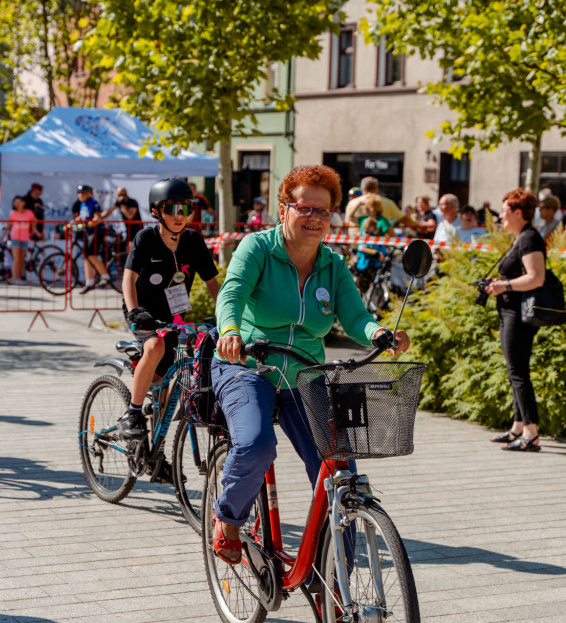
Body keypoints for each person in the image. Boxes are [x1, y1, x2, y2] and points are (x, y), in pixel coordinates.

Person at [210, 164, 409, 565]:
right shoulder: (258, 249)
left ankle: (338, 584)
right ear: (284, 209)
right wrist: (230, 329)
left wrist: (378, 334)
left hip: (306, 373)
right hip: (248, 364)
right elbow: (230, 295)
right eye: (305, 209)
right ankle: (228, 518)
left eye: (323, 211)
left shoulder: (333, 265)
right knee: (256, 445)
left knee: (341, 473)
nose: (315, 218)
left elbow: (355, 317)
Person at [119, 178, 221, 441]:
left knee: (164, 378)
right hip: (142, 311)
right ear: (156, 211)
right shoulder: (145, 239)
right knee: (155, 347)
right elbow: (128, 279)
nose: (179, 216)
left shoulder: (194, 242)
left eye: (185, 209)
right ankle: (133, 411)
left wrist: (228, 317)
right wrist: (133, 311)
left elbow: (213, 285)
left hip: (174, 316)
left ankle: (156, 452)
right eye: (171, 209)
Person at [483, 188, 545, 453]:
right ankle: (518, 426)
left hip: (519, 315)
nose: (501, 216)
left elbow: (536, 277)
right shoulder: (522, 237)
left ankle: (531, 433)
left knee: (518, 373)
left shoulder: (530, 238)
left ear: (518, 212)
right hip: (511, 312)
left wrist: (504, 286)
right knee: (514, 371)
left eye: (505, 211)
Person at [70, 185, 109, 293]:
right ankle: (89, 282)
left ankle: (105, 277)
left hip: (96, 232)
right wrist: (73, 222)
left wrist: (85, 225)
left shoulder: (94, 203)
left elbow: (97, 218)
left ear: (88, 194)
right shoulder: (83, 204)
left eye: (82, 193)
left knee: (91, 255)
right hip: (89, 233)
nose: (80, 195)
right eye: (78, 193)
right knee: (86, 257)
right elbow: (82, 217)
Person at [345, 176, 415, 230]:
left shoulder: (352, 203)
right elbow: (403, 219)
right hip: (382, 245)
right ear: (376, 188)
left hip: (357, 244)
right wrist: (417, 226)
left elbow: (347, 222)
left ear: (362, 189)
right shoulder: (387, 203)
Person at [7, 195, 36, 283]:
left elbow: (34, 221)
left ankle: (20, 277)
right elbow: (9, 226)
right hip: (15, 238)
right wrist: (4, 236)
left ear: (23, 203)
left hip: (25, 238)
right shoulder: (13, 214)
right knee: (16, 258)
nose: (17, 204)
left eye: (19, 202)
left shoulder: (29, 212)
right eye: (15, 203)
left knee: (22, 258)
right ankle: (14, 277)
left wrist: (34, 231)